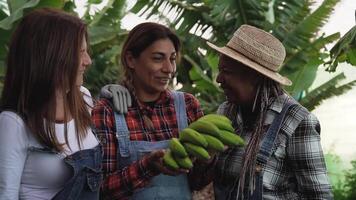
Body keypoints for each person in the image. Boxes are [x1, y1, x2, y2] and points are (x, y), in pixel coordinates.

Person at [187, 24, 333, 199]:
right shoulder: (226, 112)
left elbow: (318, 196)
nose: (219, 79)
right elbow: (196, 183)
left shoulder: (297, 120)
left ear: (254, 75)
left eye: (226, 71)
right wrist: (206, 159)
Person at [92, 22, 203, 200]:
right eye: (158, 58)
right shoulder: (107, 111)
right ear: (131, 59)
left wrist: (208, 159)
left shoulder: (188, 105)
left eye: (172, 59)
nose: (169, 69)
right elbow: (99, 190)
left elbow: (198, 181)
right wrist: (147, 167)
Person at [0, 8, 102, 200]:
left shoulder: (84, 98)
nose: (88, 61)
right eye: (80, 52)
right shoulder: (13, 123)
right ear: (52, 56)